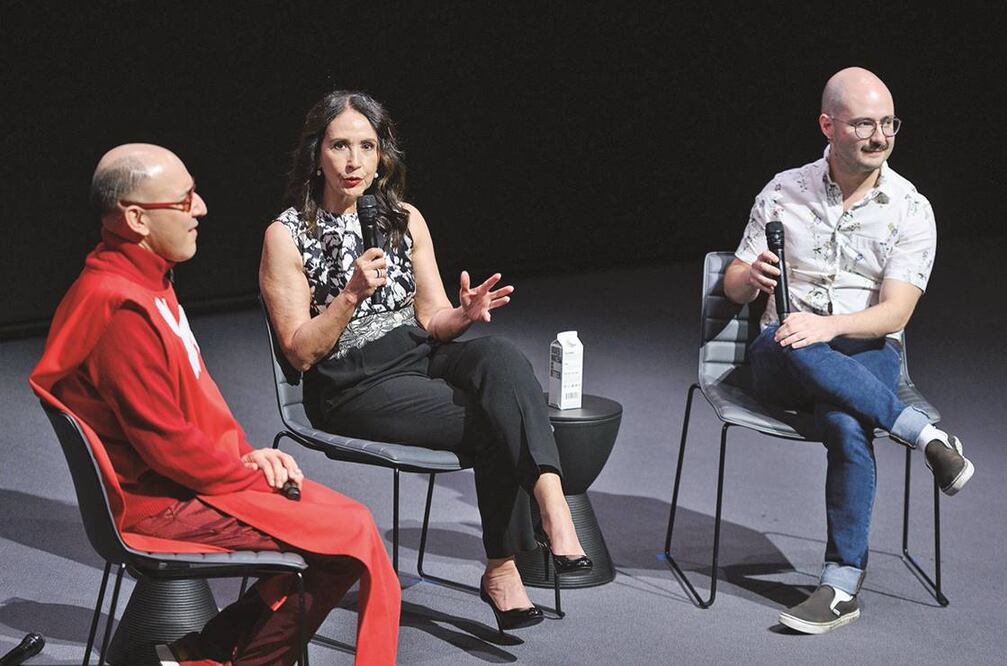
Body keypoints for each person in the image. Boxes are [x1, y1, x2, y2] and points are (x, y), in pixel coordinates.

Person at [29, 144, 400, 665]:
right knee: (344, 541)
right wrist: (246, 474)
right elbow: (165, 445)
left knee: (350, 523)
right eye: (184, 202)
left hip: (184, 479)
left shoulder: (143, 278)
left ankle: (201, 653)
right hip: (161, 502)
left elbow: (190, 405)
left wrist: (248, 454)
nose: (201, 208)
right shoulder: (119, 306)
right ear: (136, 219)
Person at [260, 90, 592, 632]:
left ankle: (552, 507)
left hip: (418, 353)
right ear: (315, 153)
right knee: (494, 419)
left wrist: (462, 315)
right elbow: (299, 350)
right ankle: (503, 566)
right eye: (340, 145)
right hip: (351, 382)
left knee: (501, 358)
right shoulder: (287, 234)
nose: (353, 161)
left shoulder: (404, 218)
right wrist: (349, 295)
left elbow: (432, 314)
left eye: (366, 146)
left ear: (382, 154)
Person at [725, 67, 975, 635]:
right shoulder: (783, 191)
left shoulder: (911, 208)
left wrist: (829, 326)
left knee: (845, 418)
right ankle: (926, 436)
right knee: (791, 336)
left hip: (867, 350)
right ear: (828, 124)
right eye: (864, 123)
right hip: (779, 354)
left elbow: (897, 314)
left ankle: (839, 586)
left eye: (888, 123)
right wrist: (750, 276)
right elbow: (733, 282)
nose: (879, 136)